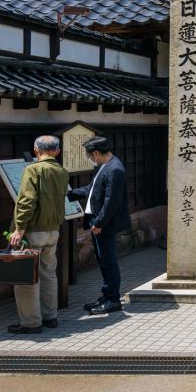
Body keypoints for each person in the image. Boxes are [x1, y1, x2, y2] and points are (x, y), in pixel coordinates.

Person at [6, 135, 69, 334]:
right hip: (53, 230)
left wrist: (19, 228)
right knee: (49, 274)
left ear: (36, 150)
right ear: (57, 151)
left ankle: (31, 322)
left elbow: (27, 201)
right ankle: (51, 316)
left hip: (33, 231)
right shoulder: (61, 171)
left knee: (27, 278)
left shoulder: (33, 170)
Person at [68, 135, 130, 315]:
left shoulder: (115, 169)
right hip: (99, 222)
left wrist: (99, 223)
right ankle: (107, 294)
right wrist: (70, 194)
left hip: (104, 224)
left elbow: (111, 201)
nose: (90, 159)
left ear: (96, 153)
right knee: (103, 260)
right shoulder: (105, 167)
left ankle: (113, 299)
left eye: (90, 156)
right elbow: (93, 189)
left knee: (108, 261)